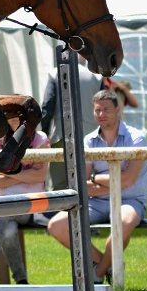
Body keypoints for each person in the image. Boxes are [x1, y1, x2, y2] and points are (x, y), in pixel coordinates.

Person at [47, 89, 147, 283]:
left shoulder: (137, 138)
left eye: (107, 110)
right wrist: (112, 180)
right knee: (56, 226)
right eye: (97, 110)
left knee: (124, 223)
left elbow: (128, 181)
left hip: (130, 200)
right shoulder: (88, 141)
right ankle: (108, 265)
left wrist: (96, 178)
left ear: (118, 110)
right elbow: (82, 184)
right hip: (96, 202)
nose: (101, 114)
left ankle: (98, 274)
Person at [0, 129, 51, 285]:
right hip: (6, 206)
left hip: (32, 205)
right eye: (10, 114)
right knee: (8, 230)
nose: (14, 117)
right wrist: (25, 174)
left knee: (1, 210)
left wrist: (6, 172)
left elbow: (39, 176)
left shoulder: (39, 139)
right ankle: (21, 280)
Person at [40, 56, 104, 190]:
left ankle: (63, 210)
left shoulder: (55, 73)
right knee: (91, 183)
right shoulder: (96, 77)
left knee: (61, 186)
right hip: (92, 139)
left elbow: (47, 107)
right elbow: (103, 107)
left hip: (62, 137)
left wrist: (45, 135)